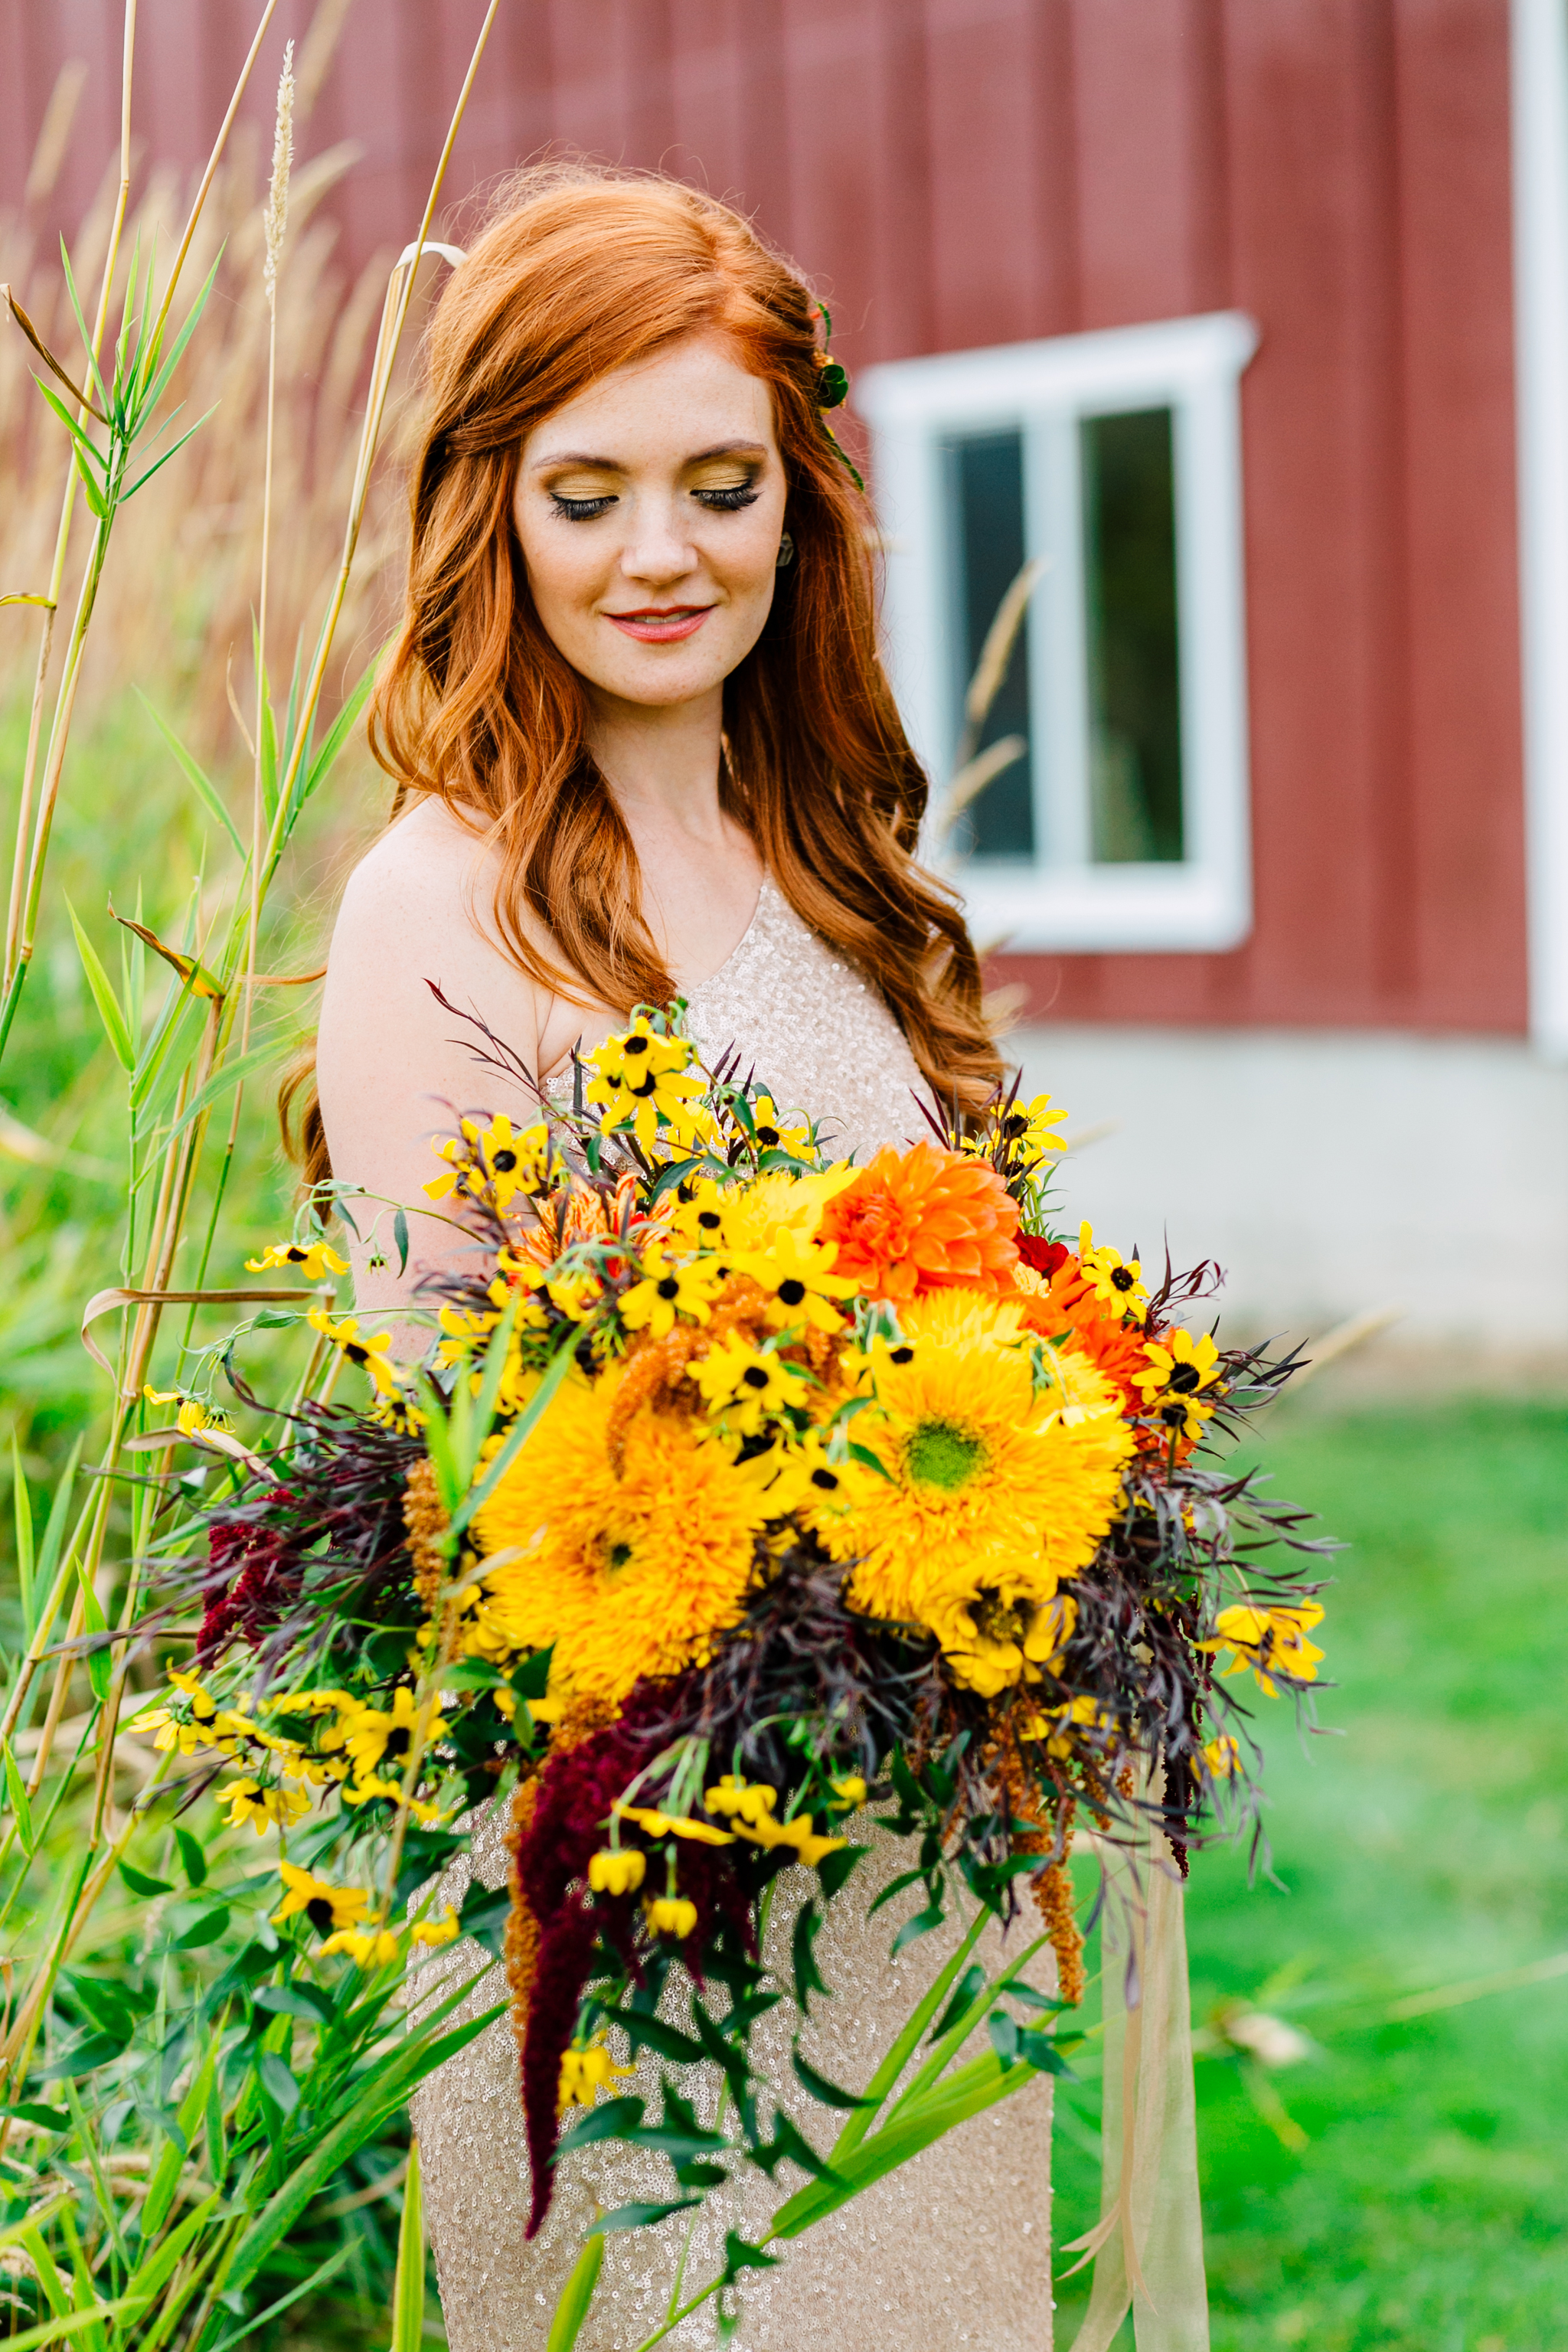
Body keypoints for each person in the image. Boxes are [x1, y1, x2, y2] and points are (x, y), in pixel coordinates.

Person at [308, 166, 1054, 2352]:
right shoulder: (440, 903)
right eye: (590, 494)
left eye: (722, 488)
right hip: (636, 1856)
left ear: (798, 507)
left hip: (902, 1830)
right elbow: (462, 1441)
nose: (662, 553)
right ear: (493, 510)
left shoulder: (826, 858)